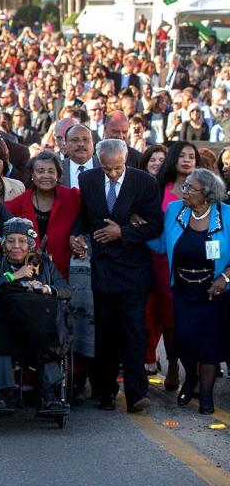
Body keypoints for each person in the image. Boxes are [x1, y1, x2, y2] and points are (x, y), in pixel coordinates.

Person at [71, 138, 163, 413]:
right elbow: (84, 218)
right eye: (107, 169)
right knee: (106, 332)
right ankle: (104, 391)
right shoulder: (88, 180)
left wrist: (123, 232)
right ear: (99, 162)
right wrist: (76, 237)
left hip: (133, 268)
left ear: (126, 161)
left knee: (134, 330)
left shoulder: (144, 182)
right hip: (103, 268)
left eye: (117, 168)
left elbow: (155, 226)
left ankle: (136, 393)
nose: (112, 173)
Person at [0, 217, 72, 416]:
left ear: (30, 244)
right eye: (11, 240)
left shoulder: (44, 266)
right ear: (3, 244)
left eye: (22, 241)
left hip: (36, 328)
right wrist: (13, 277)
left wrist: (46, 288)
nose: (16, 246)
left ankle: (50, 395)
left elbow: (65, 290)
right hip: (2, 327)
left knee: (46, 330)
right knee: (0, 331)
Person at [148, 169, 230, 415]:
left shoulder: (226, 215)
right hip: (184, 290)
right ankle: (190, 380)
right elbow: (162, 245)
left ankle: (206, 397)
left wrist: (225, 277)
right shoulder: (175, 210)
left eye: (190, 188)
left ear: (206, 193)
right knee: (184, 340)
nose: (184, 192)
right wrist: (137, 232)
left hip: (215, 292)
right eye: (184, 187)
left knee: (208, 345)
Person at [146, 141, 200, 388]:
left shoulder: (205, 189)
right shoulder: (160, 188)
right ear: (174, 159)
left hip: (198, 261)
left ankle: (195, 370)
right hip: (164, 262)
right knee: (169, 317)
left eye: (192, 156)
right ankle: (173, 366)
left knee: (195, 316)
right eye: (183, 156)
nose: (187, 160)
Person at [6, 151, 81, 280]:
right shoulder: (17, 204)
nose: (46, 176)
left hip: (64, 274)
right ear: (32, 175)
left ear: (58, 175)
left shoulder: (73, 197)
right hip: (28, 276)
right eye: (40, 171)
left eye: (51, 171)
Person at [61, 125, 100, 189]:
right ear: (65, 144)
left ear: (93, 143)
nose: (81, 144)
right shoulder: (58, 169)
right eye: (75, 140)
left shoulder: (104, 167)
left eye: (86, 139)